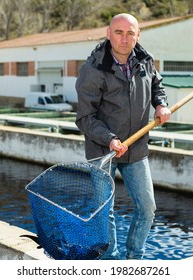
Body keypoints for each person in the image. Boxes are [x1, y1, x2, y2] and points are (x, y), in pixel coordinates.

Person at [75, 13, 171, 260]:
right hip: (103, 152)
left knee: (147, 208)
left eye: (131, 33)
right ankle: (110, 263)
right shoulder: (93, 69)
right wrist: (109, 139)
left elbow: (157, 86)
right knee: (105, 211)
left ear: (138, 35)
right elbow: (85, 117)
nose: (125, 39)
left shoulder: (145, 61)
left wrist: (160, 104)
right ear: (108, 34)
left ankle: (134, 259)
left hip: (136, 148)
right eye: (119, 32)